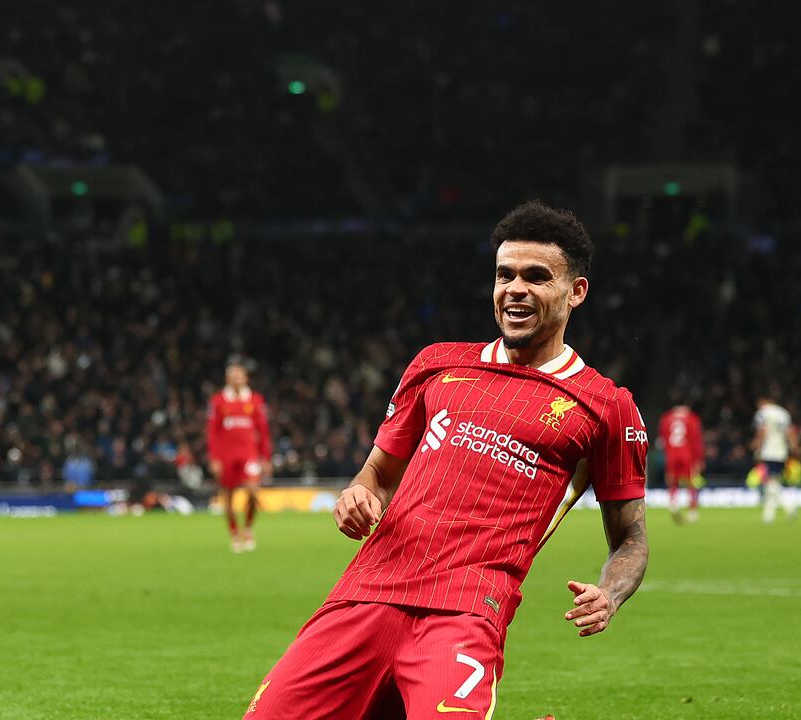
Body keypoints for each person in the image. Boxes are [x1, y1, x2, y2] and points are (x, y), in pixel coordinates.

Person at [243, 201, 649, 719]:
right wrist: (358, 495)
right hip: (365, 594)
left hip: (466, 610)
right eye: (504, 275)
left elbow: (632, 538)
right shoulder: (436, 364)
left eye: (536, 277)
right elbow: (377, 475)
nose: (515, 289)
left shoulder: (606, 405)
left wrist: (610, 594)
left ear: (576, 292)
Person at [207, 361, 273, 552]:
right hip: (226, 456)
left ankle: (248, 528)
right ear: (227, 379)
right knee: (227, 497)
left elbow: (263, 431)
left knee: (253, 492)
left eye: (240, 376)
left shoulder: (255, 401)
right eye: (233, 376)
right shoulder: (218, 401)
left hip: (249, 455)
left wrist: (266, 457)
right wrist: (214, 458)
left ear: (245, 378)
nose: (237, 379)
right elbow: (213, 432)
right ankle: (235, 533)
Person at [752, 395, 798, 523]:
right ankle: (768, 515)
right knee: (773, 481)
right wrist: (793, 447)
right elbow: (791, 432)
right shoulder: (783, 413)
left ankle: (790, 507)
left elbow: (762, 431)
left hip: (769, 451)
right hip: (781, 451)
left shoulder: (763, 413)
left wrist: (757, 446)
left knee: (770, 483)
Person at [659, 403, 704, 523]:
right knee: (691, 481)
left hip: (671, 454)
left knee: (672, 479)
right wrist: (699, 459)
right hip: (687, 453)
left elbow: (663, 439)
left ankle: (673, 505)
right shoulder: (692, 418)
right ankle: (693, 511)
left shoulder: (666, 418)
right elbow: (696, 440)